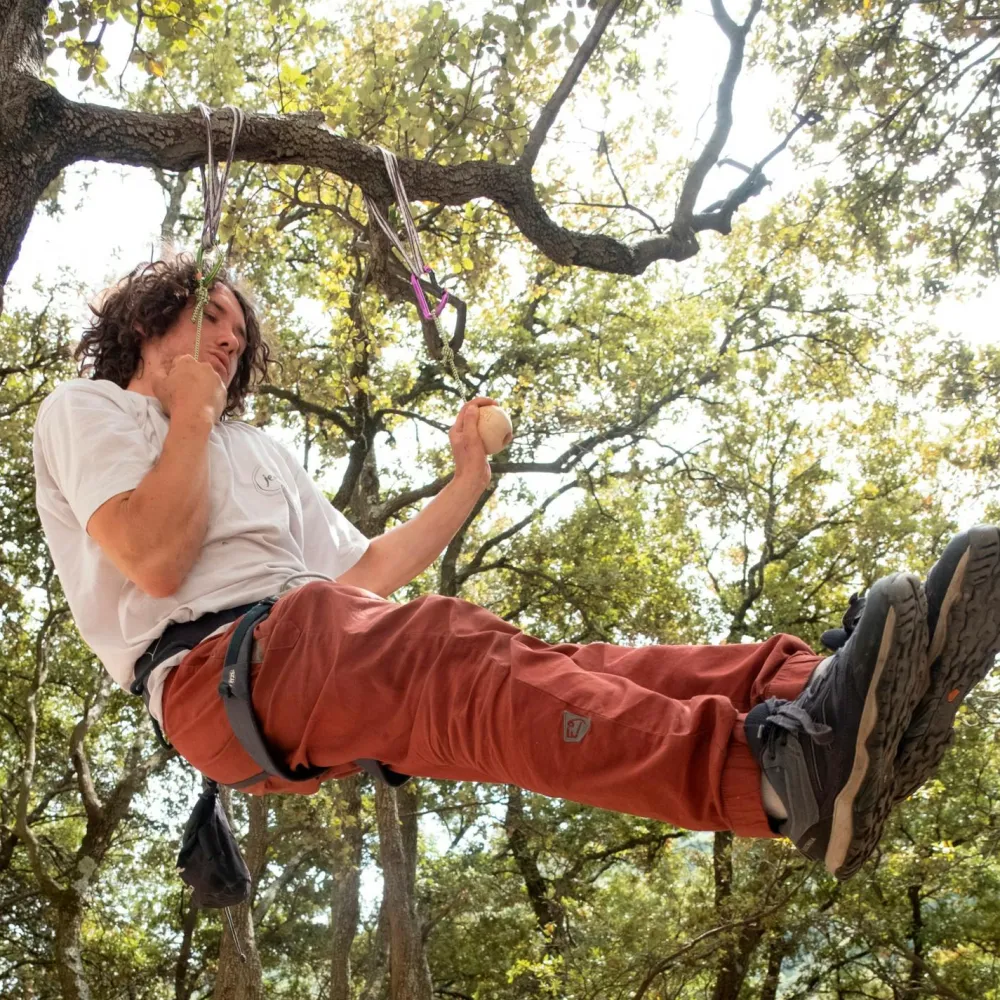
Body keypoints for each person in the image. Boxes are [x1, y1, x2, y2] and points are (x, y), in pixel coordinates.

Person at [32, 256, 1000, 883]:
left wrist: (465, 479)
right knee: (459, 651)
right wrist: (190, 410)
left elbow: (365, 570)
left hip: (312, 636)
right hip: (215, 675)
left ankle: (829, 697)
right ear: (149, 323)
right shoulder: (91, 412)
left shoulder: (258, 449)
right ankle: (782, 778)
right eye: (212, 322)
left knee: (569, 668)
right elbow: (155, 560)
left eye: (239, 335)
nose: (231, 341)